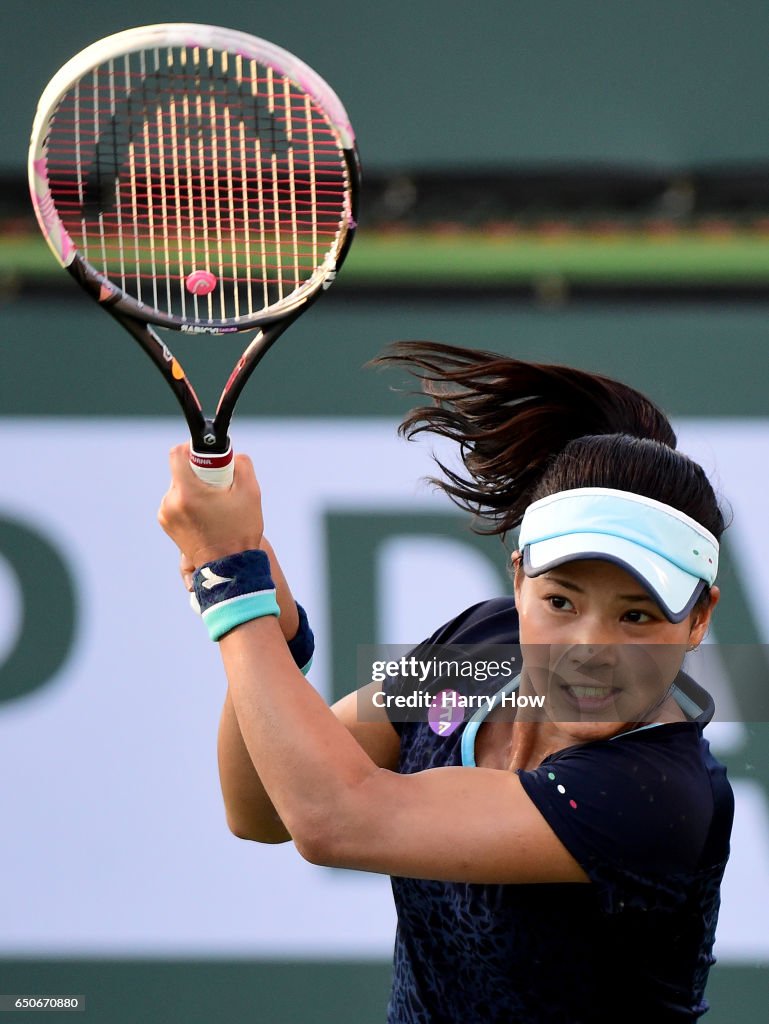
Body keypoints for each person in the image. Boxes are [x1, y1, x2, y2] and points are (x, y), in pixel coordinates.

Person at [158, 342, 734, 1024]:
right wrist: (270, 624)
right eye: (560, 602)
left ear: (698, 618)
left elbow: (333, 820)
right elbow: (261, 811)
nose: (589, 649)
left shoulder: (655, 794)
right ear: (518, 579)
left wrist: (228, 581)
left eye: (635, 616)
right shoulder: (475, 650)